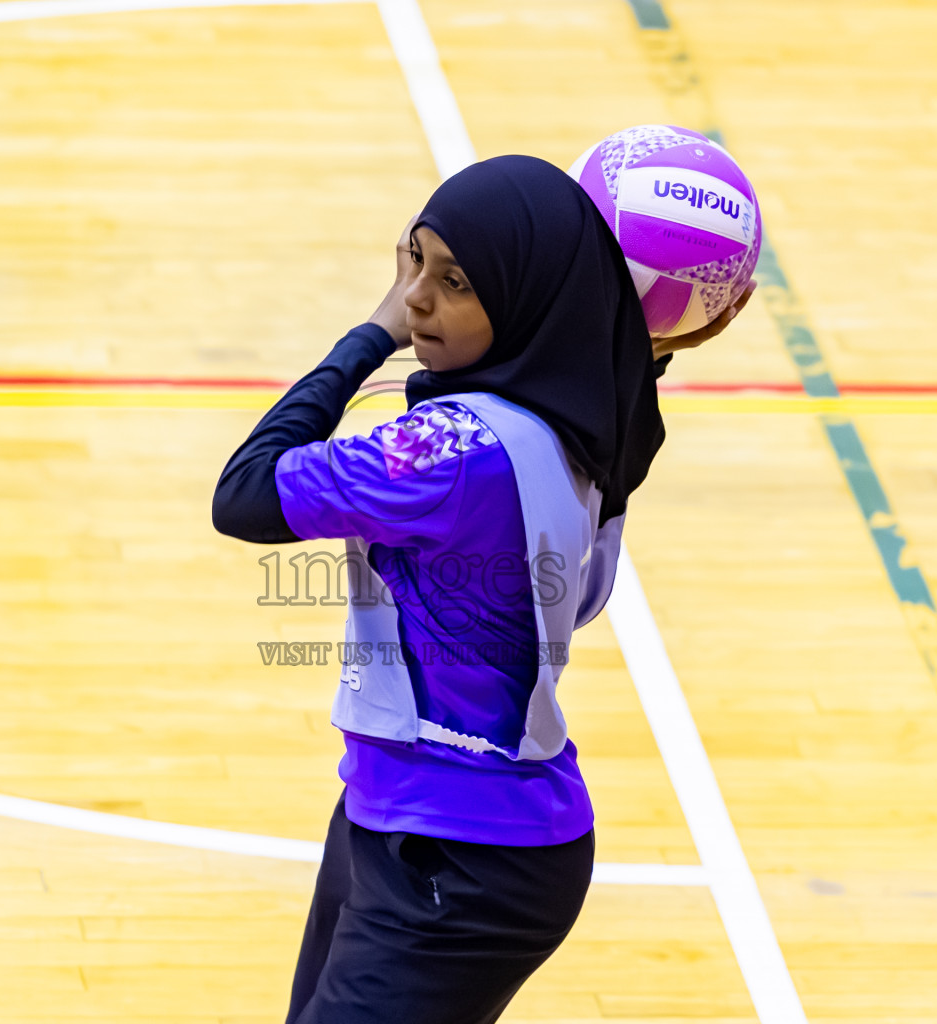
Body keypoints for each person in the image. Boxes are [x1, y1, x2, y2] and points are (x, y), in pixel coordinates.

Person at [211, 154, 753, 1024]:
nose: (417, 296)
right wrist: (661, 329)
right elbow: (612, 356)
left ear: (525, 299)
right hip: (401, 820)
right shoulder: (595, 430)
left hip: (457, 860)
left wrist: (370, 333)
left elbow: (244, 493)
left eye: (454, 281)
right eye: (412, 261)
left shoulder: (446, 456)